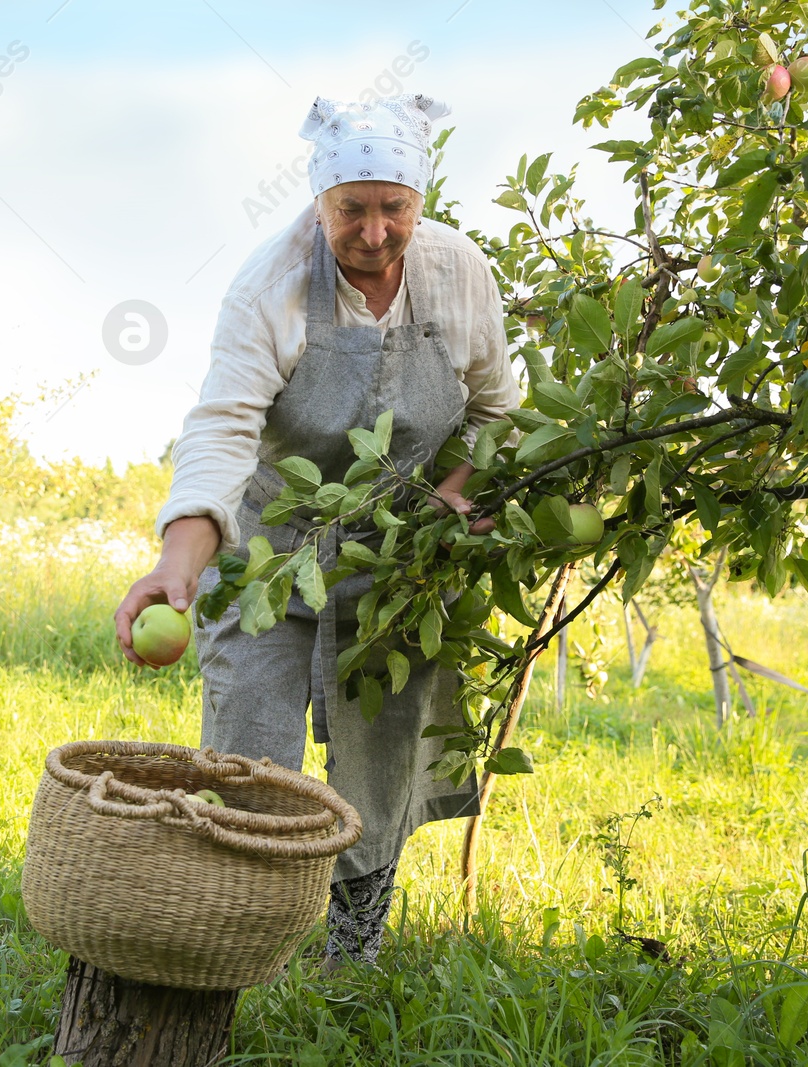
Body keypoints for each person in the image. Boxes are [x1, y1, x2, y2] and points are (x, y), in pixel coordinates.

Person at [114, 92, 521, 969]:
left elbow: (498, 411)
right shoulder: (272, 285)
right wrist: (176, 566)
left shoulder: (458, 274)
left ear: (422, 200)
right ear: (318, 203)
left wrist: (451, 495)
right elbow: (223, 426)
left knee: (380, 754)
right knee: (250, 758)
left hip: (400, 558)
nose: (374, 233)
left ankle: (349, 965)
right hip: (273, 550)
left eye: (394, 209)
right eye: (351, 210)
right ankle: (243, 955)